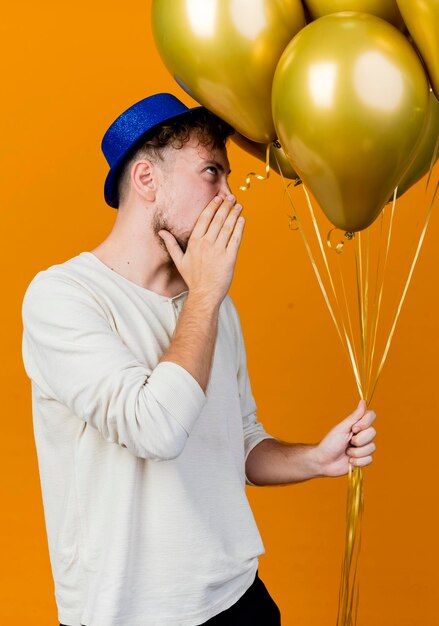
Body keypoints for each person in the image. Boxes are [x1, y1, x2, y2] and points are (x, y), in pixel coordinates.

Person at [21, 93, 377, 626]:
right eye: (211, 172)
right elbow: (156, 429)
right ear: (146, 180)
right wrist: (207, 293)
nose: (229, 196)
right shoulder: (63, 297)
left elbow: (241, 441)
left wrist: (316, 459)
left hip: (238, 596)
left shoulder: (213, 305)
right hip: (131, 613)